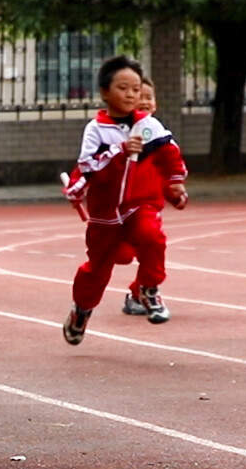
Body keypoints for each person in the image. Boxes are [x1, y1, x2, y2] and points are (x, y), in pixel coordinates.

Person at [62, 56, 189, 345]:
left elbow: (170, 153)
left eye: (136, 89)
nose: (131, 95)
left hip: (138, 204)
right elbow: (87, 166)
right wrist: (119, 151)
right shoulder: (96, 130)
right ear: (105, 92)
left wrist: (176, 182)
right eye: (123, 88)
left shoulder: (149, 125)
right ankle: (81, 310)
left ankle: (148, 288)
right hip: (105, 214)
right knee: (98, 268)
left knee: (152, 237)